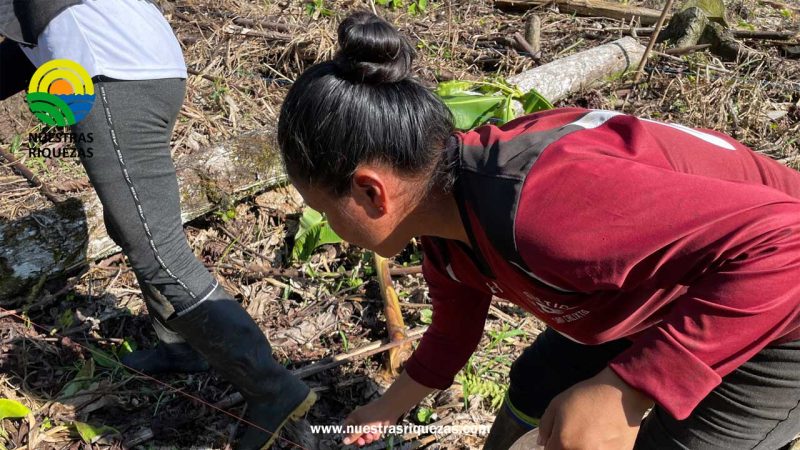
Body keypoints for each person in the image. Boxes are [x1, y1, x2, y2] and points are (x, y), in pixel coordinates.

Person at [276, 11, 800, 450]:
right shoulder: (445, 215)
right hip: (650, 289)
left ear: (372, 192)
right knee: (537, 388)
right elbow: (452, 335)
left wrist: (628, 389)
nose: (325, 224)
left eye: (320, 207)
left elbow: (788, 242)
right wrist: (384, 409)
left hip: (778, 311)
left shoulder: (550, 208)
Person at [0, 1, 315, 448]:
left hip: (112, 76)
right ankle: (180, 347)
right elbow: (23, 44)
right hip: (146, 64)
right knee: (133, 224)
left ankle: (273, 389)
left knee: (156, 249)